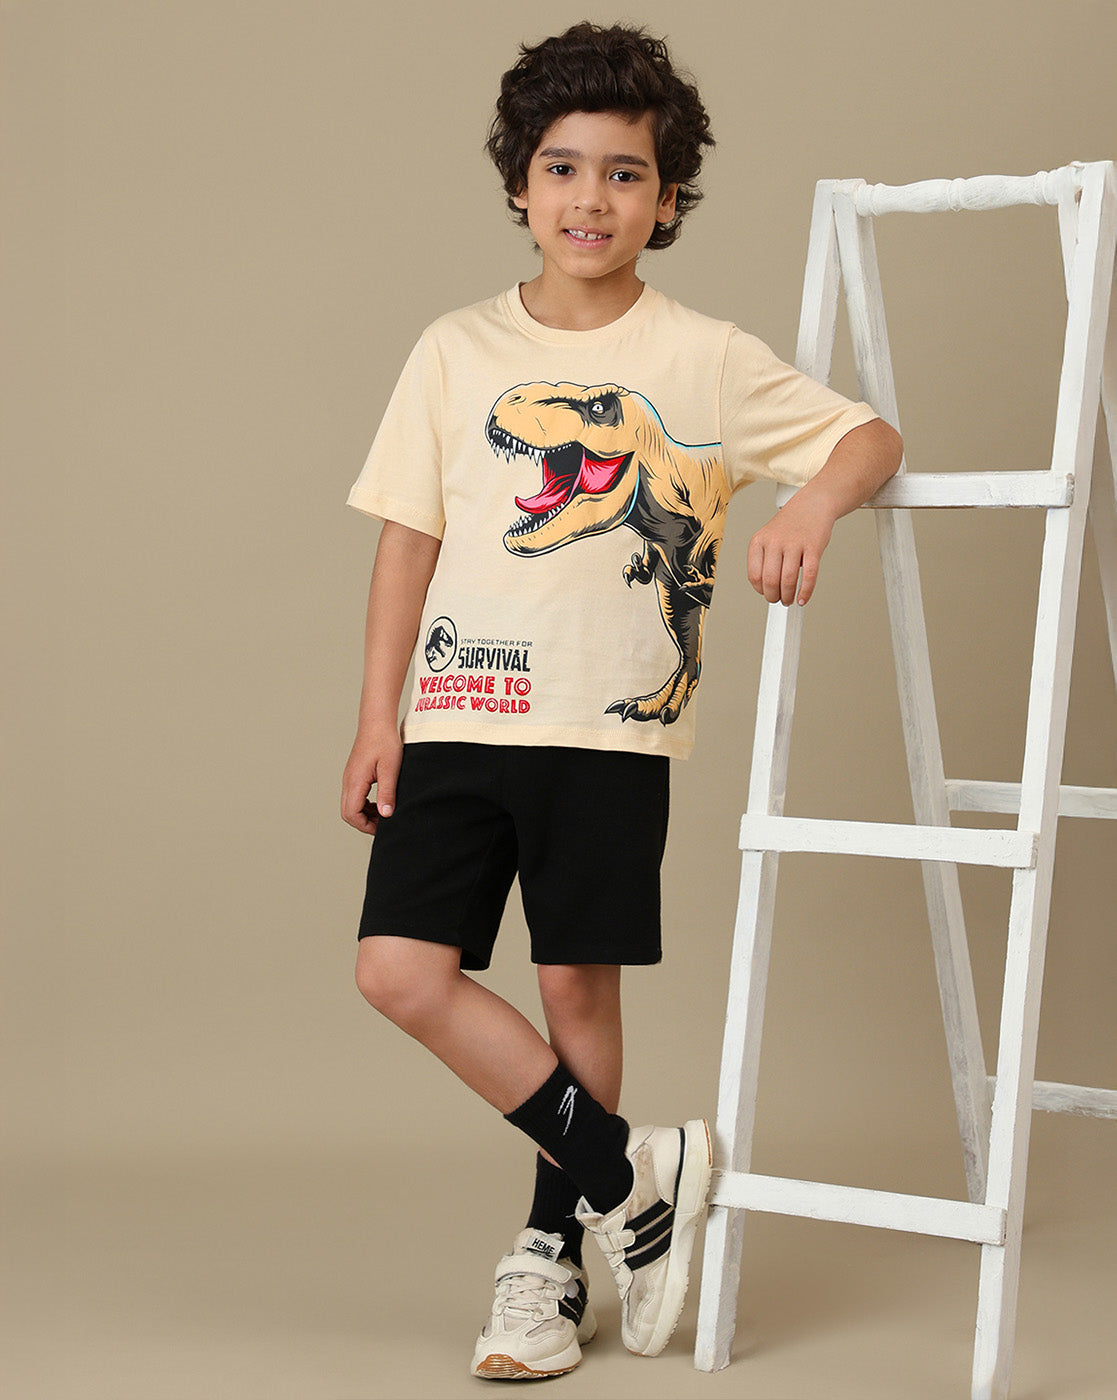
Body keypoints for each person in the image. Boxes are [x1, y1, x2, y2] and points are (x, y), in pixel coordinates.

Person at [340, 20, 902, 1382]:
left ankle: (551, 1257)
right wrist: (375, 717)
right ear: (518, 184)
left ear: (666, 196)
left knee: (572, 983)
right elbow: (408, 535)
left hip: (606, 727)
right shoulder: (453, 348)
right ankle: (631, 1177)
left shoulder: (704, 356)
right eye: (562, 168)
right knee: (399, 970)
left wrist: (810, 507)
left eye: (624, 174)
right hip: (458, 711)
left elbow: (869, 436)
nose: (589, 198)